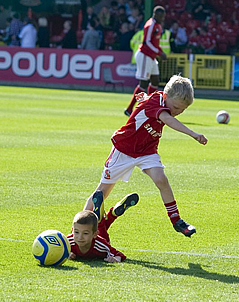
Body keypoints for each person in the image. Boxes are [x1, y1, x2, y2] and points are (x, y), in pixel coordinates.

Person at [84, 75, 207, 238]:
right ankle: (77, 228)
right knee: (102, 192)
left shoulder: (159, 99)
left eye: (182, 110)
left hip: (147, 151)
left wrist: (144, 99)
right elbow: (168, 119)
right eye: (176, 107)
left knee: (161, 179)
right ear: (165, 96)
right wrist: (193, 134)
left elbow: (155, 104)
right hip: (124, 149)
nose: (177, 112)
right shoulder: (156, 103)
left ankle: (177, 220)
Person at [67, 194, 137, 262]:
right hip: (95, 232)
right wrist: (66, 254)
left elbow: (119, 254)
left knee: (101, 230)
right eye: (76, 232)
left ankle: (105, 218)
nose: (80, 237)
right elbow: (58, 248)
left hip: (100, 238)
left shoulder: (101, 244)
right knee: (97, 225)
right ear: (72, 230)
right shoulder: (67, 241)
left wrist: (116, 259)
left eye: (85, 233)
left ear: (95, 234)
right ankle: (111, 214)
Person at [124, 6, 167, 117]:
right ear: (156, 14)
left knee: (155, 80)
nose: (163, 18)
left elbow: (155, 43)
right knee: (143, 84)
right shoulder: (150, 25)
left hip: (151, 57)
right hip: (144, 56)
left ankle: (149, 106)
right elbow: (147, 42)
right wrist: (159, 52)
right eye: (161, 16)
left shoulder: (158, 25)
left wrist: (160, 51)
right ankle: (130, 109)